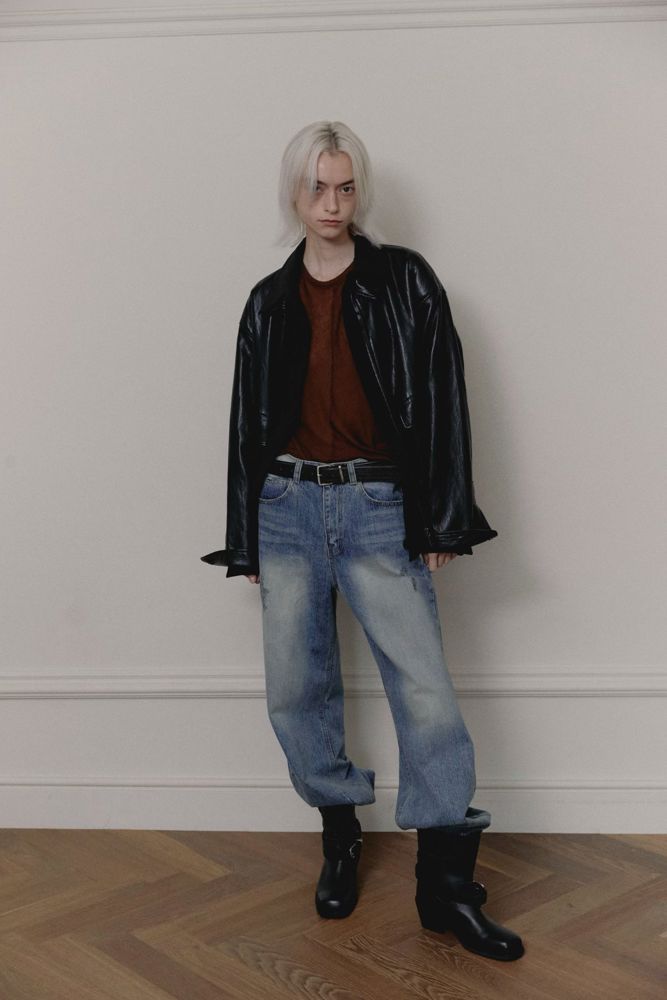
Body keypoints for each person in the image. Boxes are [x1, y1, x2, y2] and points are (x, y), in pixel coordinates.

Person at [201, 121, 524, 962]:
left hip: (377, 505)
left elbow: (444, 397)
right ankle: (339, 830)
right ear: (294, 194)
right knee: (294, 688)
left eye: (345, 187)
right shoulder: (268, 301)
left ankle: (445, 889)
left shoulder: (405, 281)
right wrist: (246, 539)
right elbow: (244, 427)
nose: (332, 204)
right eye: (318, 188)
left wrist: (441, 518)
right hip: (286, 505)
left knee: (425, 694)